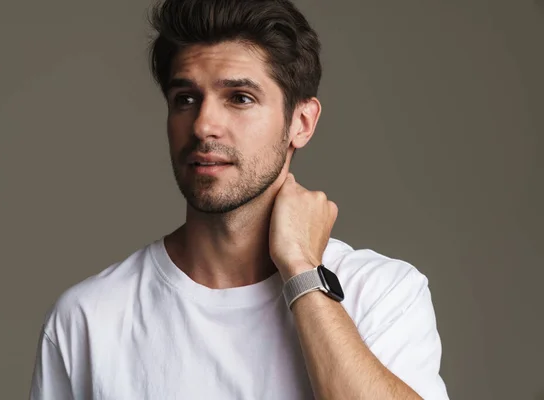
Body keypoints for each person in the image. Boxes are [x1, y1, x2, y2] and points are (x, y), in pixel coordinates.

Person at [29, 0, 449, 399]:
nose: (204, 124)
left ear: (301, 122)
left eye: (240, 98)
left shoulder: (381, 294)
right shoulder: (87, 320)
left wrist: (302, 270)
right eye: (186, 99)